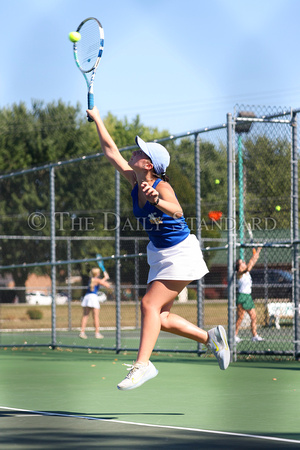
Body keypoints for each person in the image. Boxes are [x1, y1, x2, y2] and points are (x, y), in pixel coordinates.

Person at [87, 106, 230, 391]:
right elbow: (111, 152)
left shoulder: (162, 187)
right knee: (160, 317)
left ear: (149, 165)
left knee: (148, 305)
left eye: (141, 153)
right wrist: (98, 120)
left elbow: (177, 211)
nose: (135, 153)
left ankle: (143, 366)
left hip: (181, 252)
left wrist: (156, 201)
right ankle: (210, 338)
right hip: (160, 254)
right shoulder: (134, 180)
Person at [235, 247, 264, 343]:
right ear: (239, 266)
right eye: (242, 262)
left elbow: (253, 261)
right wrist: (253, 258)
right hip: (242, 296)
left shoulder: (246, 272)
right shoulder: (239, 274)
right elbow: (248, 267)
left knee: (253, 317)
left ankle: (254, 335)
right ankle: (234, 335)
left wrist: (258, 251)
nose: (244, 262)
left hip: (248, 296)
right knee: (240, 318)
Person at [79, 267, 110, 339]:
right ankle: (97, 333)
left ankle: (82, 332)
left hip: (87, 297)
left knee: (85, 316)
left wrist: (105, 278)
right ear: (97, 273)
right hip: (93, 298)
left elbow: (99, 281)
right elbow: (107, 285)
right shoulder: (97, 280)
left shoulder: (92, 279)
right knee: (95, 316)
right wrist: (106, 277)